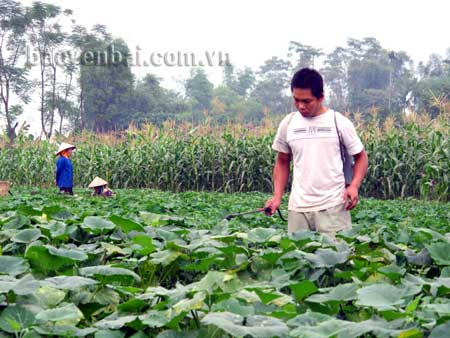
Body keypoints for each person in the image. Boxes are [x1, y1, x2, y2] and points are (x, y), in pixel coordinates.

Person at [265, 68, 368, 237]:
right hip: (297, 208)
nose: (300, 106)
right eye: (296, 100)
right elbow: (282, 161)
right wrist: (277, 197)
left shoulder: (338, 122)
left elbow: (361, 157)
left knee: (336, 259)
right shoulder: (288, 123)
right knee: (296, 260)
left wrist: (354, 186)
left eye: (307, 101)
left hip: (333, 207)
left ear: (321, 97)